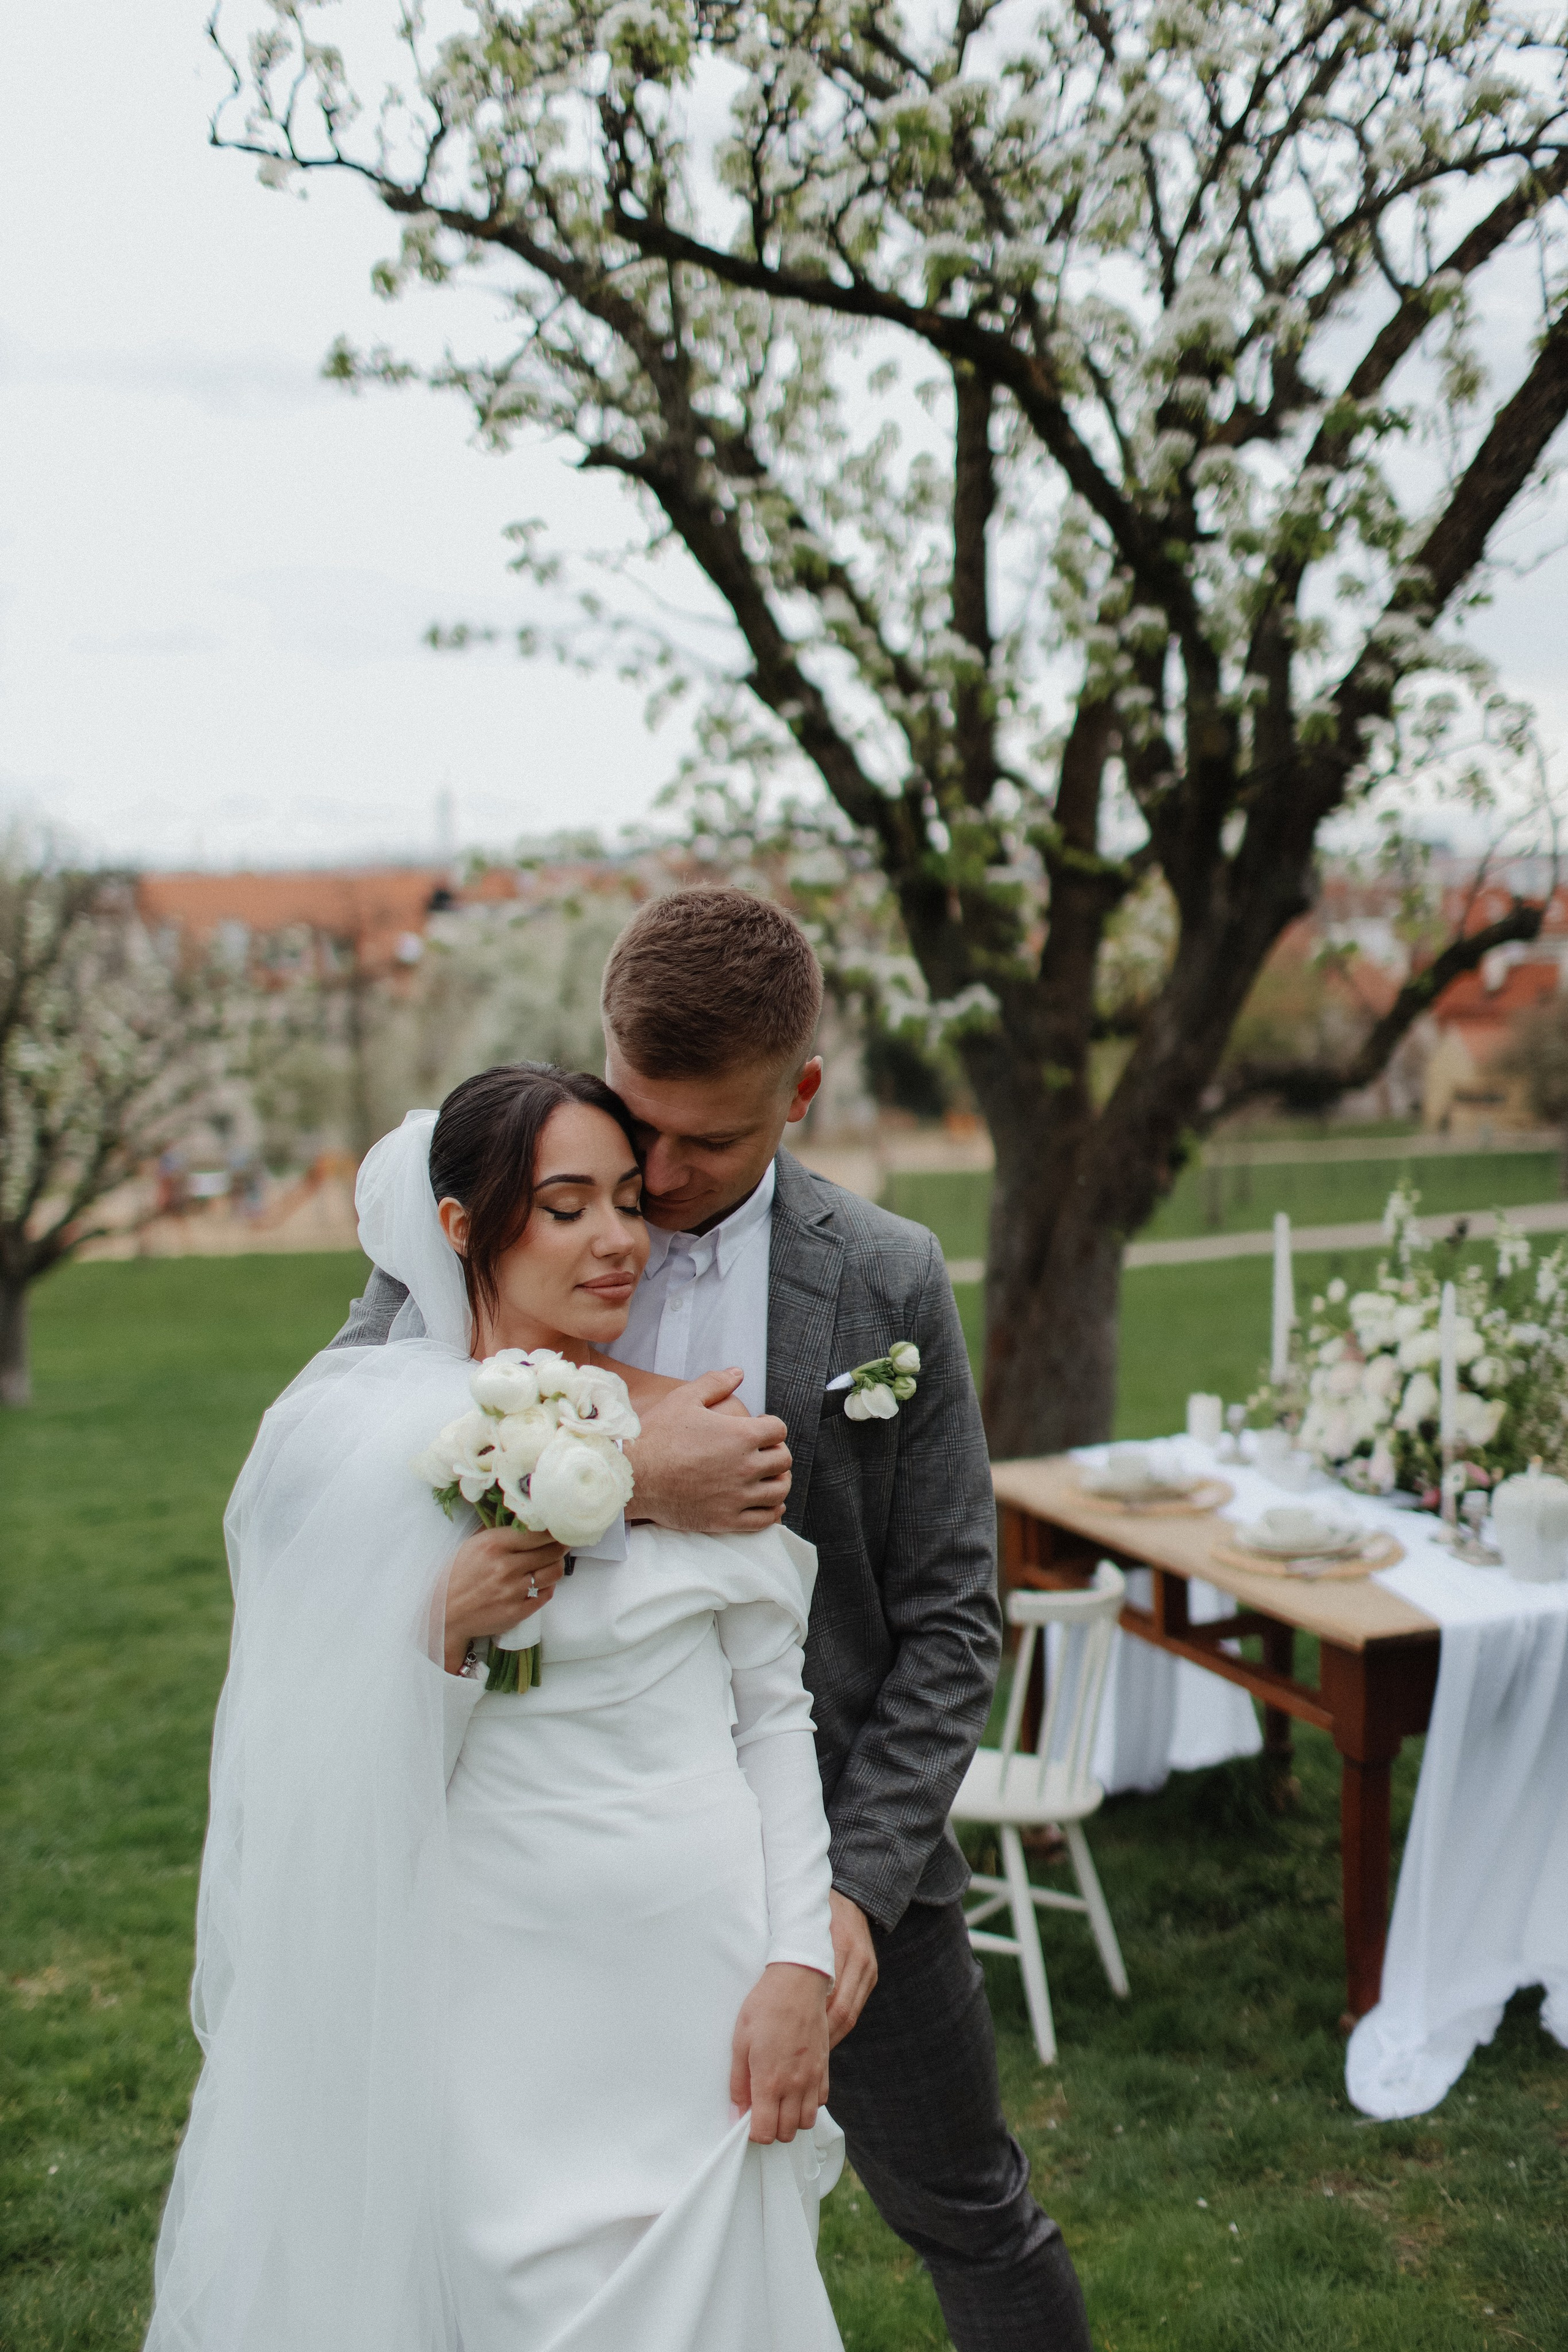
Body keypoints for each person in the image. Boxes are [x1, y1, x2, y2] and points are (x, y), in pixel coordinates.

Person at [337, 889, 1093, 2352]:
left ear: (800, 1095)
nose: (660, 1178)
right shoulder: (479, 1214)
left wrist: (851, 1901)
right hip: (559, 1858)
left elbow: (949, 1620)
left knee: (963, 2206)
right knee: (544, 2240)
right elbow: (347, 1470)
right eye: (640, 1123)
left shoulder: (885, 1279)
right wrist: (628, 1467)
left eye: (712, 1142)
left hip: (839, 1848)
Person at [148, 1066, 847, 2352]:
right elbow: (326, 1769)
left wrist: (794, 1960)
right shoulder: (376, 1452)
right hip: (492, 1986)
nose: (615, 1240)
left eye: (627, 1203)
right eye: (565, 1206)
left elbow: (773, 1721)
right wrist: (438, 1638)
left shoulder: (698, 1439)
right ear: (463, 1229)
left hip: (695, 1982)